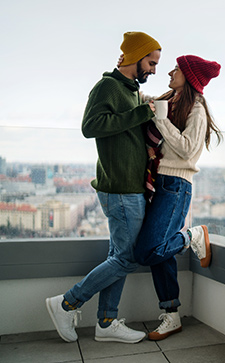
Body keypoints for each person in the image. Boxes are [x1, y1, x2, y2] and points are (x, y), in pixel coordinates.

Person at [45, 31, 161, 344]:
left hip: (129, 188)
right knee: (126, 259)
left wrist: (148, 105)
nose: (153, 69)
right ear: (136, 57)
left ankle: (106, 323)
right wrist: (140, 113)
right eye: (151, 62)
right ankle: (67, 303)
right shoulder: (108, 86)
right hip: (120, 190)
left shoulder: (132, 90)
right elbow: (90, 126)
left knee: (119, 256)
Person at [133, 54, 222, 341]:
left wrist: (161, 121)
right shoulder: (170, 100)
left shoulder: (197, 110)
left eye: (177, 69)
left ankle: (193, 236)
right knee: (161, 253)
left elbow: (186, 150)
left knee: (146, 251)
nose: (170, 72)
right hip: (159, 181)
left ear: (190, 76)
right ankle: (171, 315)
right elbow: (141, 98)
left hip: (176, 184)